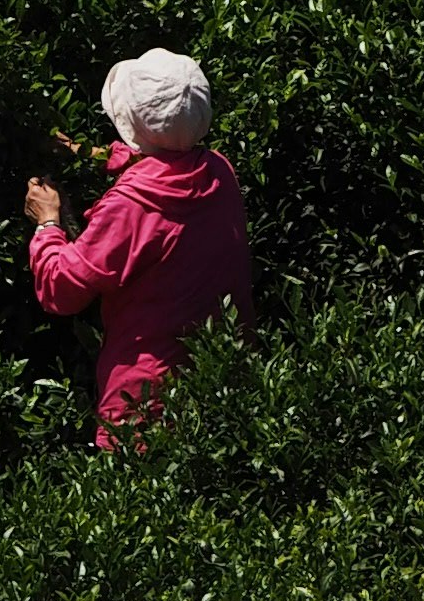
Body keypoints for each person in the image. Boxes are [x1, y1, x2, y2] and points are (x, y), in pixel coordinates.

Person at [25, 49, 256, 442]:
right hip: (221, 382)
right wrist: (86, 153)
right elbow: (161, 161)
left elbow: (61, 289)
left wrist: (47, 223)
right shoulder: (219, 170)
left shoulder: (130, 206)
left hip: (144, 405)